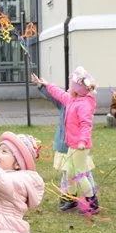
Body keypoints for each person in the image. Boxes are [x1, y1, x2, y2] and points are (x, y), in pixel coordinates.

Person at [31, 67, 99, 214]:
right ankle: (71, 199)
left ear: (78, 89)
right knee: (70, 173)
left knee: (80, 173)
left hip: (81, 146)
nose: (68, 88)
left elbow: (86, 125)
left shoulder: (84, 104)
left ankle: (92, 202)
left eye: (71, 85)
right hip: (71, 145)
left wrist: (82, 141)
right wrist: (47, 84)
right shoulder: (71, 99)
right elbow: (58, 93)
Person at [35, 75, 71, 211]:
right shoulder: (64, 104)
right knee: (66, 172)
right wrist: (41, 86)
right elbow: (53, 96)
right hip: (64, 144)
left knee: (78, 173)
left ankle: (87, 198)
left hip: (75, 145)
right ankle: (66, 196)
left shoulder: (78, 104)